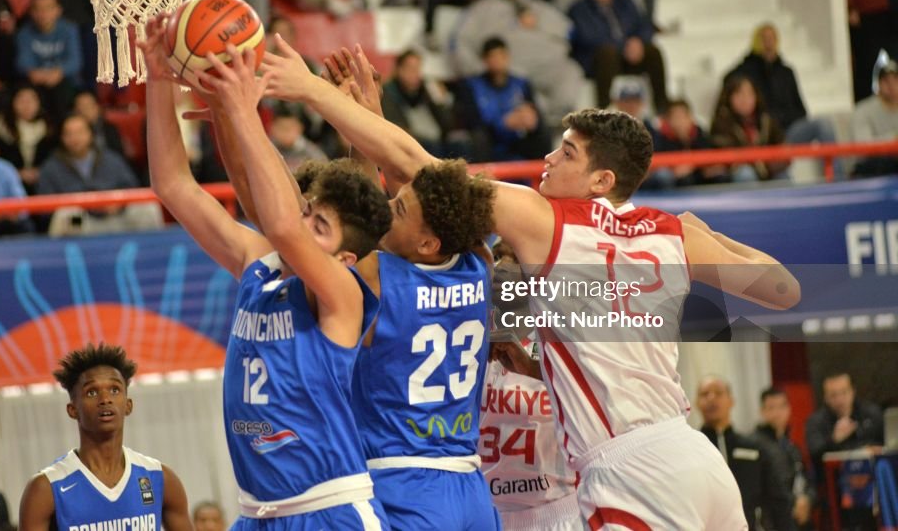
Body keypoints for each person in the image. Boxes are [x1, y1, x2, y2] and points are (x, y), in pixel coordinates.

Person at [261, 56, 802, 527]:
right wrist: (705, 236)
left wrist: (316, 93)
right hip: (693, 454)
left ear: (601, 181)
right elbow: (784, 290)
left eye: (567, 154)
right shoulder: (671, 231)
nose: (548, 160)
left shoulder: (545, 222)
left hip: (629, 467)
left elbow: (421, 172)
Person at [143, 18, 394, 528]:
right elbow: (172, 185)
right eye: (309, 210)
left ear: (346, 258)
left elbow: (281, 221)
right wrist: (157, 80)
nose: (303, 223)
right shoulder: (260, 266)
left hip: (330, 510)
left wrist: (239, 110)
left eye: (318, 225)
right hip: (255, 515)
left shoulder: (343, 295)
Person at [259, 38, 500, 530]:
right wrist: (368, 118)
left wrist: (345, 114)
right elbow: (388, 189)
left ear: (429, 242)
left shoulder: (378, 275)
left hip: (402, 483)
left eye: (401, 209)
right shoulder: (480, 262)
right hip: (472, 488)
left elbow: (358, 211)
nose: (387, 207)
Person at [18, 344, 191, 531]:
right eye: (92, 392)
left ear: (128, 405)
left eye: (115, 390)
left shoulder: (160, 478)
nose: (105, 399)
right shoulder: (46, 488)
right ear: (72, 410)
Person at [480, 244, 580, 531]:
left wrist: (536, 371)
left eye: (515, 258)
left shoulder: (566, 337)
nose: (502, 267)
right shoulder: (468, 334)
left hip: (558, 509)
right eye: (498, 256)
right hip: (486, 511)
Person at [454, 0, 584, 128]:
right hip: (510, 72)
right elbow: (460, 44)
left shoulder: (538, 7)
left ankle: (556, 123)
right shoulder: (481, 10)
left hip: (547, 69)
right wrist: (481, 71)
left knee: (571, 71)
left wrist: (539, 24)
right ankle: (537, 123)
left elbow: (570, 33)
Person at [696, 376, 795, 531]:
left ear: (731, 401)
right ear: (696, 403)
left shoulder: (754, 449)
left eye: (718, 393)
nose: (711, 398)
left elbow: (779, 501)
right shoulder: (692, 450)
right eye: (705, 394)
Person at [568, 0, 668, 111]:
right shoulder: (579, 10)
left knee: (653, 52)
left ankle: (662, 107)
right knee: (607, 53)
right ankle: (603, 109)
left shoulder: (625, 1)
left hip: (629, 55)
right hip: (598, 60)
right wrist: (624, 46)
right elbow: (589, 38)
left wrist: (639, 41)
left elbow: (643, 24)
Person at [37, 115, 159, 235]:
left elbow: (132, 188)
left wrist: (118, 204)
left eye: (80, 132)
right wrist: (85, 205)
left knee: (146, 208)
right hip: (83, 223)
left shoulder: (111, 159)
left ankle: (153, 251)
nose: (75, 138)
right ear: (62, 138)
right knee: (68, 215)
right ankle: (70, 254)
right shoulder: (51, 167)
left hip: (116, 218)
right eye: (69, 134)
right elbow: (45, 209)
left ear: (90, 134)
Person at [726, 23, 835, 147]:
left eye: (772, 38)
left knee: (823, 124)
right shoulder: (746, 71)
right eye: (764, 39)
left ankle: (835, 167)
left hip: (789, 130)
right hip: (765, 134)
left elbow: (800, 110)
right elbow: (730, 84)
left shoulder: (786, 73)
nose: (769, 43)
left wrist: (784, 118)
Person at [456, 37, 552, 161]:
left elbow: (533, 111)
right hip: (490, 139)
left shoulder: (521, 84)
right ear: (485, 60)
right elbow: (472, 120)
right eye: (492, 56)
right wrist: (503, 123)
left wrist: (529, 118)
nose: (497, 61)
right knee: (478, 138)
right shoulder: (472, 85)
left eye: (501, 55)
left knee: (542, 130)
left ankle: (541, 172)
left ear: (507, 57)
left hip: (517, 138)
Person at [15, 0, 83, 121]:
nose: (43, 14)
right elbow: (22, 63)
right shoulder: (24, 33)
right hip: (36, 82)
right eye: (38, 9)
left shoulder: (69, 29)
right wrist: (36, 73)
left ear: (58, 10)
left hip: (64, 81)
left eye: (48, 8)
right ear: (32, 12)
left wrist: (58, 72)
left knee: (63, 92)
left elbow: (75, 61)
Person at [754, 387, 815, 530]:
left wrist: (807, 499)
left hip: (798, 520)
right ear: (762, 411)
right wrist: (794, 502)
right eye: (771, 408)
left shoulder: (791, 446)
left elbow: (806, 478)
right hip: (773, 521)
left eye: (782, 406)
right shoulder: (756, 445)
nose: (777, 413)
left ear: (789, 409)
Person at [710, 73, 789, 182]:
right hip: (738, 172)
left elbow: (782, 146)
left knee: (783, 175)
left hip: (768, 168)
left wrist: (770, 165)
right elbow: (727, 156)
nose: (745, 99)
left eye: (749, 94)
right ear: (729, 97)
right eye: (739, 94)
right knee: (745, 174)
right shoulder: (722, 122)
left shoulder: (766, 119)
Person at [381, 49, 459, 158]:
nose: (415, 74)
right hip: (411, 140)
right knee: (430, 146)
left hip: (437, 138)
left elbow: (447, 124)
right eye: (411, 69)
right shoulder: (389, 92)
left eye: (418, 69)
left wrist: (441, 100)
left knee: (460, 143)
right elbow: (396, 126)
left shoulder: (427, 89)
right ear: (399, 70)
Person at [646, 99, 727, 189]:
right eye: (676, 117)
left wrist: (694, 166)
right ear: (668, 120)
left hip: (697, 174)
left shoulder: (699, 133)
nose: (681, 121)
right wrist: (674, 171)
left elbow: (708, 156)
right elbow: (658, 163)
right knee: (667, 177)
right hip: (675, 179)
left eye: (684, 116)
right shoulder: (661, 136)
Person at [0, 86, 55, 194]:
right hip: (7, 182)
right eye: (22, 100)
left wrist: (41, 171)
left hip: (43, 181)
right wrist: (15, 173)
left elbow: (53, 157)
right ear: (13, 102)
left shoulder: (49, 126)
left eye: (31, 100)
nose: (27, 105)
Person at [851, 55, 898, 176]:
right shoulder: (864, 109)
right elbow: (863, 145)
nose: (892, 85)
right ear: (879, 84)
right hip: (872, 166)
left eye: (896, 80)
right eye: (886, 81)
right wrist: (893, 139)